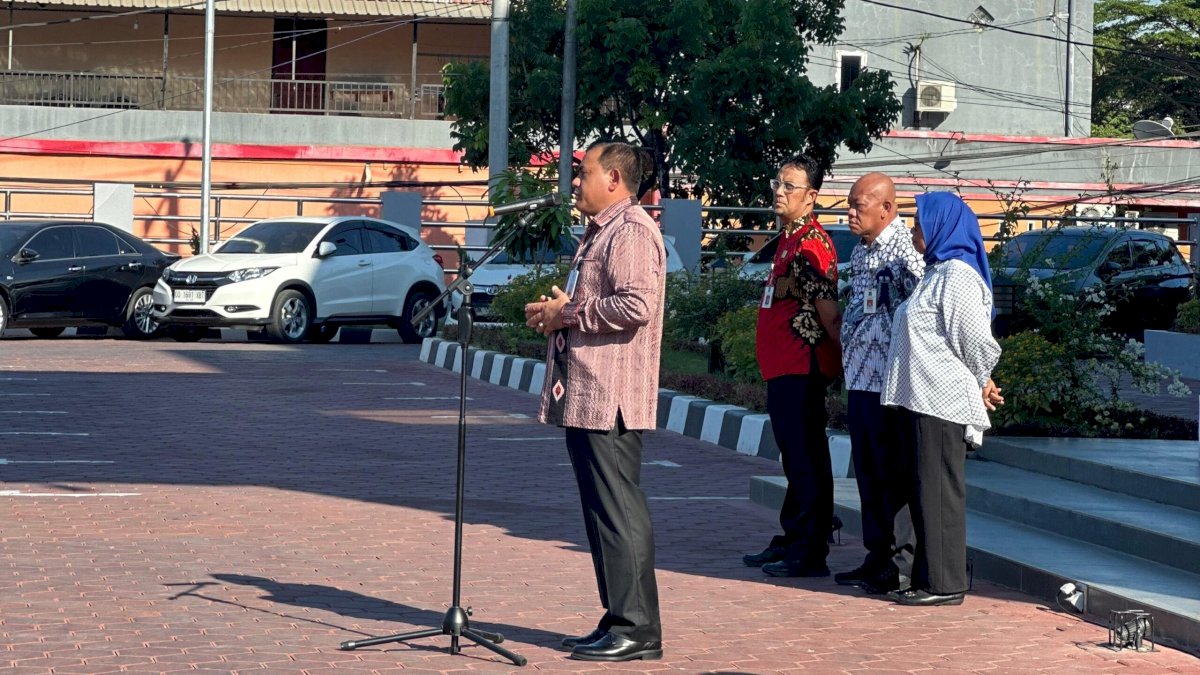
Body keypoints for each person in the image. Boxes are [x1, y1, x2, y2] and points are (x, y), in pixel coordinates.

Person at [524, 141, 665, 662]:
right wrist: (557, 313)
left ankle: (639, 629)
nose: (574, 183)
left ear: (613, 178)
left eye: (583, 173)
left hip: (612, 396)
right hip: (586, 393)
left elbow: (637, 304)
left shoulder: (631, 231)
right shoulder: (600, 232)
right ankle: (617, 617)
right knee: (602, 513)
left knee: (619, 510)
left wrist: (572, 313)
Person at [881, 191, 1004, 606]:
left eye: (921, 223)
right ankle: (927, 578)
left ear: (943, 228)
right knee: (923, 493)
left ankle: (946, 584)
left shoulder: (959, 277)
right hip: (920, 399)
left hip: (941, 401)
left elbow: (974, 339)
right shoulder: (936, 273)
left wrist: (984, 378)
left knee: (938, 493)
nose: (915, 230)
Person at [742, 153, 843, 578]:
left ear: (812, 196)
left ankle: (810, 549)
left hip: (802, 368)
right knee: (793, 458)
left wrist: (844, 356)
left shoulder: (811, 244)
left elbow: (829, 314)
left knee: (805, 458)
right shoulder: (788, 237)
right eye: (777, 184)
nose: (779, 192)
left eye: (790, 187)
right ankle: (792, 536)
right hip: (783, 367)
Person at [836, 172, 924, 594]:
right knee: (868, 474)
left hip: (890, 383)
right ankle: (876, 556)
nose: (851, 213)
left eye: (858, 205)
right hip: (860, 378)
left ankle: (901, 563)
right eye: (850, 205)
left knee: (894, 475)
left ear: (887, 209)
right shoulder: (862, 252)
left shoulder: (905, 255)